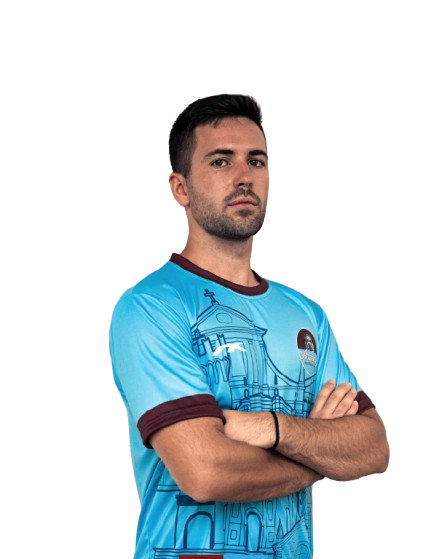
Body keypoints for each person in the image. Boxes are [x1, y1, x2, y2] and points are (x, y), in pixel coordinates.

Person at [108, 93, 390, 559]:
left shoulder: (304, 315)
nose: (244, 176)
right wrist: (321, 456)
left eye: (256, 160)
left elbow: (373, 447)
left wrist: (272, 428)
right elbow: (205, 472)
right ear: (180, 188)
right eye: (221, 161)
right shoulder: (151, 307)